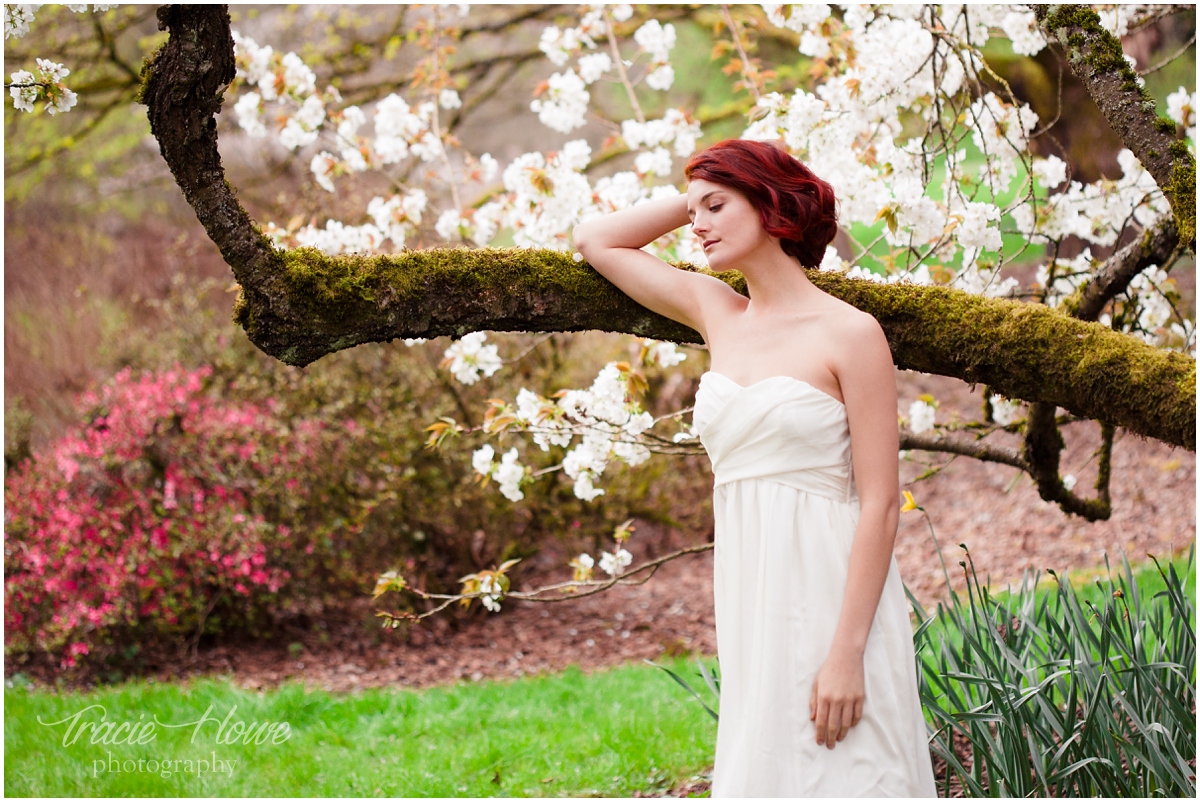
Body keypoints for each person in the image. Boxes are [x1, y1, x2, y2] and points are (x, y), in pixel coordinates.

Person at [572, 139, 937, 797]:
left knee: (851, 774)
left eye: (717, 206)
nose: (699, 224)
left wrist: (847, 654)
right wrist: (698, 195)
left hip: (834, 598)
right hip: (753, 599)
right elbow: (598, 241)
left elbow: (882, 504)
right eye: (693, 212)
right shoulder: (718, 313)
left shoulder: (851, 334)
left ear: (771, 206)